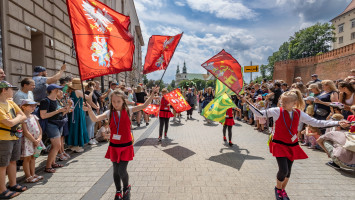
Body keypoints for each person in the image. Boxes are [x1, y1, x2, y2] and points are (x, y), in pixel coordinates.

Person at [248, 89, 346, 200]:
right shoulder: (276, 111)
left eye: (286, 102)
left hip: (292, 145)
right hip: (279, 144)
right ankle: (278, 189)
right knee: (283, 170)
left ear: (294, 103)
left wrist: (338, 122)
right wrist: (248, 103)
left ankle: (283, 190)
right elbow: (259, 113)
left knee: (288, 171)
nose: (283, 104)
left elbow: (317, 123)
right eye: (282, 102)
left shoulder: (299, 113)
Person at [83, 86, 159, 200]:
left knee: (122, 170)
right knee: (115, 170)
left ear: (123, 100)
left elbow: (144, 106)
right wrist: (89, 110)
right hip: (114, 146)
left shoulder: (129, 110)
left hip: (126, 145)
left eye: (118, 101)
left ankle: (126, 188)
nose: (116, 104)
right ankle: (118, 191)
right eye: (113, 101)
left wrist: (152, 94)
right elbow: (95, 119)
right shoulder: (109, 112)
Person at [0, 81, 27, 199]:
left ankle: (13, 184)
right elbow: (9, 122)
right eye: (11, 89)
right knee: (2, 165)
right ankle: (2, 190)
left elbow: (24, 115)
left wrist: (17, 118)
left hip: (14, 136)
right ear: (4, 90)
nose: (13, 91)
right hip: (3, 138)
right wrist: (18, 118)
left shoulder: (10, 102)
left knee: (13, 161)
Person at [39, 84, 69, 173]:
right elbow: (43, 115)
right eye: (58, 89)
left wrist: (67, 108)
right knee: (57, 146)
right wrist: (58, 111)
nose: (61, 91)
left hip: (59, 123)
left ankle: (53, 163)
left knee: (55, 146)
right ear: (53, 90)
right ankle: (48, 166)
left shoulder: (57, 100)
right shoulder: (45, 101)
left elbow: (62, 114)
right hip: (51, 125)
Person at [20, 99, 45, 183]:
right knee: (27, 158)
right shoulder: (23, 118)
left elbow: (39, 128)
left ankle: (33, 174)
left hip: (36, 140)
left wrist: (39, 138)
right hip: (28, 141)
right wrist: (34, 140)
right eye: (30, 106)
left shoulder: (34, 116)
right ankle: (28, 176)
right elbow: (26, 132)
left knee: (33, 157)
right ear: (24, 107)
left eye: (34, 105)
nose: (33, 107)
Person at [66, 78, 92, 153]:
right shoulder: (77, 91)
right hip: (77, 111)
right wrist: (91, 91)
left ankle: (72, 145)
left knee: (73, 127)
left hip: (72, 111)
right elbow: (87, 97)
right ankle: (76, 146)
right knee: (78, 127)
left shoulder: (70, 91)